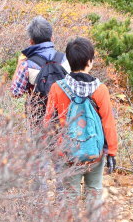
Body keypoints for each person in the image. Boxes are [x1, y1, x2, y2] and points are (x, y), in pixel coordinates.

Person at [44, 37, 118, 201]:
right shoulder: (101, 90)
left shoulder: (57, 88)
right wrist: (111, 152)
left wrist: (48, 147)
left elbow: (48, 122)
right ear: (90, 62)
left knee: (69, 194)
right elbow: (108, 123)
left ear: (69, 62)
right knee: (94, 190)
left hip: (67, 151)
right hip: (94, 152)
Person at [10, 16, 70, 125]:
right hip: (64, 118)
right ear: (52, 38)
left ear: (31, 41)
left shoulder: (27, 65)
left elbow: (15, 93)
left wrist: (19, 64)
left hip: (38, 120)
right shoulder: (66, 59)